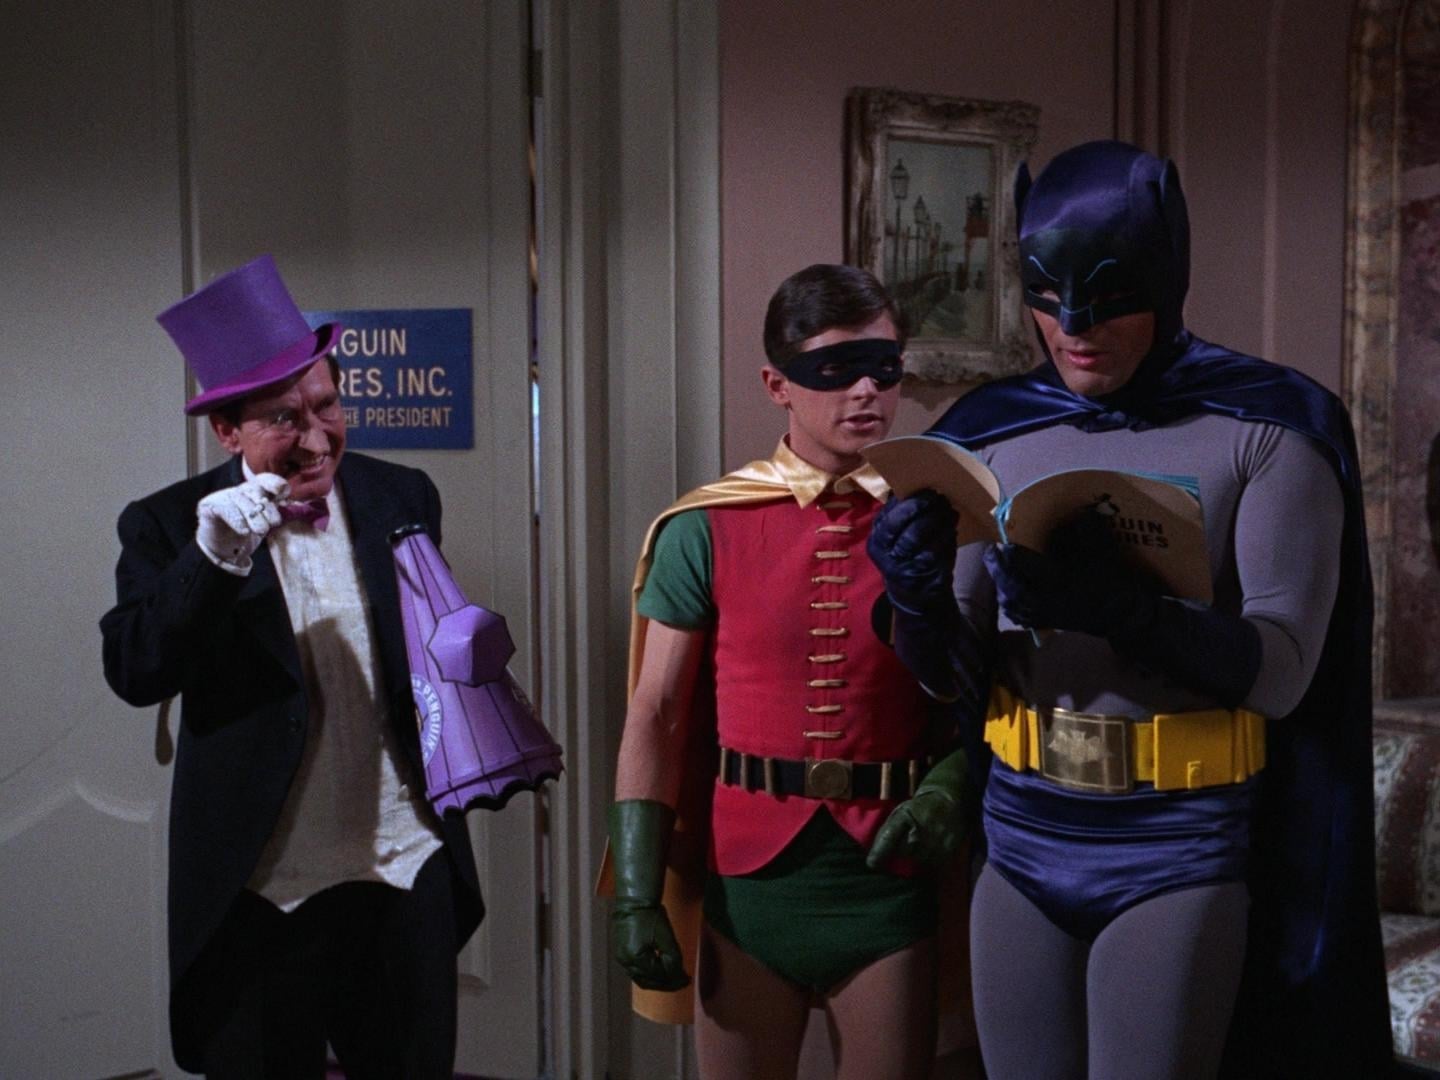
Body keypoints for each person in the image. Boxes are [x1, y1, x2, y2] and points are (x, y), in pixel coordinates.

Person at [868, 141, 1393, 1078]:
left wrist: (1117, 609)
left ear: (1168, 276)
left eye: (1111, 296)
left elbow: (1281, 674)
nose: (1075, 327)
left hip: (1179, 848)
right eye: (1047, 295)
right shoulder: (989, 432)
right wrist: (912, 597)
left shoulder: (1270, 428)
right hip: (1020, 837)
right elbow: (950, 674)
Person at [100, 255, 484, 1078]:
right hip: (258, 891)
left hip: (403, 867)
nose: (316, 438)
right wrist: (212, 558)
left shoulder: (402, 494)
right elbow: (136, 671)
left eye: (326, 406)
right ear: (227, 430)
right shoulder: (165, 524)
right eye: (283, 418)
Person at [606, 264, 970, 1078]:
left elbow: (983, 693)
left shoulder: (942, 518)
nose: (866, 391)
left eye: (884, 367)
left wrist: (953, 785)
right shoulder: (705, 526)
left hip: (887, 872)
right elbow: (658, 711)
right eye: (835, 370)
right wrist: (635, 889)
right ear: (778, 384)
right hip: (748, 882)